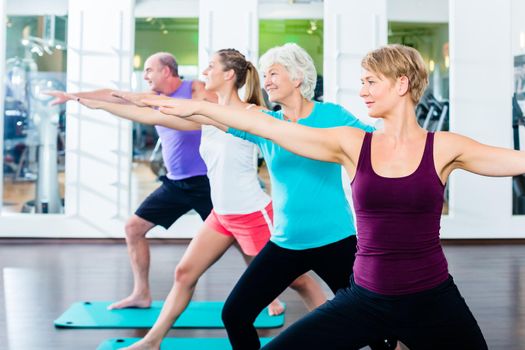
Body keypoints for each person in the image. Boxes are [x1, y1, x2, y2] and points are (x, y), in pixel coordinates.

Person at [144, 44, 505, 349]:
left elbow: (513, 161)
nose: (362, 90)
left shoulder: (441, 146)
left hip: (432, 296)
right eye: (361, 82)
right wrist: (202, 108)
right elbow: (262, 125)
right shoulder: (351, 141)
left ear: (401, 84)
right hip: (363, 294)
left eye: (369, 82)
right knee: (246, 320)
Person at [70, 48, 326, 350]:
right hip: (222, 215)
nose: (205, 72)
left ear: (229, 75)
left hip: (253, 214)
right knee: (184, 274)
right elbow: (149, 112)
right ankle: (152, 342)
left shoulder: (253, 115)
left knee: (298, 281)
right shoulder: (207, 114)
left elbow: (292, 135)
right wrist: (99, 106)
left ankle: (337, 330)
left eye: (210, 67)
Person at [145, 43, 397, 350]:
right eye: (264, 75)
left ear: (298, 77)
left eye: (274, 73)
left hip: (336, 239)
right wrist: (161, 104)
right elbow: (216, 116)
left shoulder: (332, 115)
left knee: (371, 320)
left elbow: (377, 143)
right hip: (286, 242)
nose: (266, 81)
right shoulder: (265, 122)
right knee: (235, 314)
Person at [46, 52, 216, 310]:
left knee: (239, 236)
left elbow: (209, 113)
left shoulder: (194, 88)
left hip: (206, 183)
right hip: (175, 183)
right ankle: (141, 293)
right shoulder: (153, 100)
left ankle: (268, 296)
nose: (145, 75)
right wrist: (73, 97)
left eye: (150, 70)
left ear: (167, 71)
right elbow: (112, 94)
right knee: (133, 229)